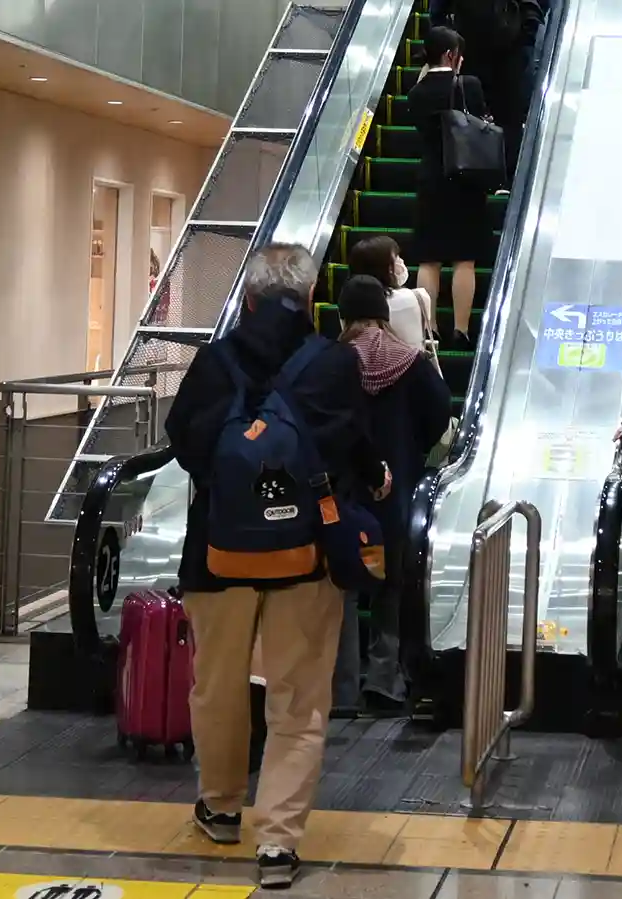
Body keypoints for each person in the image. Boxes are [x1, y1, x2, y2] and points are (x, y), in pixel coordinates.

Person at [164, 243, 390, 888]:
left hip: (219, 551)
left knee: (218, 684)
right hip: (306, 555)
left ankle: (221, 806)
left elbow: (184, 444)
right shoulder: (332, 363)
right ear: (311, 298)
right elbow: (354, 444)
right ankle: (279, 843)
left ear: (250, 299)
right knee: (298, 698)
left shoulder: (215, 361)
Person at [333, 276, 453, 711]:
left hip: (342, 495)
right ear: (384, 316)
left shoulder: (332, 361)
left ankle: (341, 687)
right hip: (396, 493)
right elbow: (440, 412)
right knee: (392, 587)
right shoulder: (410, 361)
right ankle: (385, 680)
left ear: (343, 315)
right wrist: (413, 448)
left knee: (341, 586)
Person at [407, 26, 492, 350]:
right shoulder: (469, 85)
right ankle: (461, 328)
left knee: (429, 259)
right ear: (451, 55)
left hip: (431, 178)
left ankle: (429, 328)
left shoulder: (417, 92)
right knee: (464, 258)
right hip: (465, 179)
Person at [430, 0, 546, 181]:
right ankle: (478, 176)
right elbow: (438, 11)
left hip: (506, 48)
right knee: (476, 114)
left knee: (507, 115)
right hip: (478, 48)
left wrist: (528, 33)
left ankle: (502, 177)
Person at [347, 236, 431, 350]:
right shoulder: (418, 297)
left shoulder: (350, 303)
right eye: (396, 258)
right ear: (386, 268)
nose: (401, 261)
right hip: (413, 364)